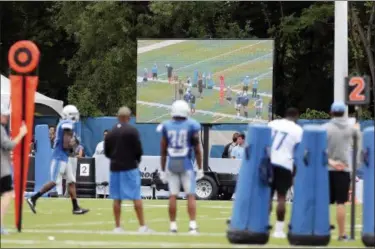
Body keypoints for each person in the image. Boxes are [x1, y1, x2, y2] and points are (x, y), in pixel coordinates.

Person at [27, 105, 89, 215]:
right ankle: (33, 198)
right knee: (53, 182)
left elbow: (67, 147)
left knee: (71, 182)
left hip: (64, 158)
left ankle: (75, 207)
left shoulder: (64, 124)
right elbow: (66, 145)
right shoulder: (66, 125)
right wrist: (75, 143)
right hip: (59, 158)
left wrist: (73, 144)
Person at [157, 100, 204, 234]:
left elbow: (163, 150)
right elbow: (197, 149)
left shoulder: (166, 126)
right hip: (186, 163)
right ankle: (192, 225)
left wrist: (162, 170)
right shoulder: (191, 125)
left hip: (172, 163)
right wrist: (200, 168)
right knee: (190, 195)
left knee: (172, 195)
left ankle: (173, 226)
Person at [104, 106, 151, 233]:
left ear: (117, 117)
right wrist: (136, 160)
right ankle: (142, 226)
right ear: (129, 117)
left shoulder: (111, 132)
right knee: (136, 196)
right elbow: (138, 150)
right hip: (130, 167)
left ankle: (118, 227)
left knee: (117, 198)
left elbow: (107, 152)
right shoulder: (133, 131)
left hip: (115, 168)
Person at [322, 101, 361, 241]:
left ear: (331, 112)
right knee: (341, 202)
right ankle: (341, 234)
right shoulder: (351, 128)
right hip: (344, 169)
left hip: (327, 168)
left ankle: (322, 230)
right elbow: (358, 148)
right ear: (344, 112)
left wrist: (330, 162)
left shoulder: (325, 128)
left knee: (324, 201)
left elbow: (320, 150)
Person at [268, 107, 303, 239]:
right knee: (282, 197)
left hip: (268, 161)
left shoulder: (273, 123)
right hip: (285, 163)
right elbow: (298, 153)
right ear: (296, 117)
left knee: (267, 196)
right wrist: (294, 172)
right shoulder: (298, 130)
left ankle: (263, 225)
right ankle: (278, 229)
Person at [1, 104, 28, 234]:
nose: (6, 117)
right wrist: (21, 134)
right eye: (5, 114)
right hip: (2, 169)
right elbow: (9, 145)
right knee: (7, 194)